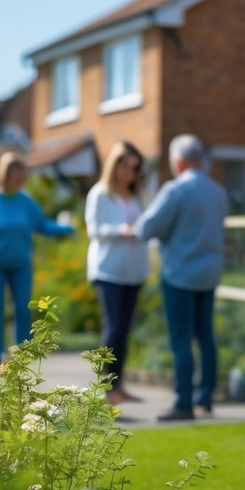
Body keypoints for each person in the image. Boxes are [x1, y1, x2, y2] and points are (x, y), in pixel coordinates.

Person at [135, 134, 227, 422]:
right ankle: (206, 395)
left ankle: (184, 402)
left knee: (181, 339)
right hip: (209, 272)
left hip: (179, 273)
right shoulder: (217, 191)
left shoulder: (176, 190)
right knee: (206, 335)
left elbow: (146, 228)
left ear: (179, 161)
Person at [0, 151, 76, 371]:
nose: (20, 182)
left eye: (22, 178)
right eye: (16, 177)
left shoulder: (25, 201)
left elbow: (42, 225)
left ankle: (21, 354)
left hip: (20, 265)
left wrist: (67, 228)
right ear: (5, 174)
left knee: (23, 308)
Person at [85, 140, 150, 405]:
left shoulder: (136, 197)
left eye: (135, 168)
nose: (130, 173)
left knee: (123, 330)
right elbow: (94, 230)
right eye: (127, 166)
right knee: (112, 328)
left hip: (133, 272)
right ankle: (106, 386)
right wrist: (119, 230)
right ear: (115, 165)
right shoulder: (100, 193)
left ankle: (118, 386)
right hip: (108, 270)